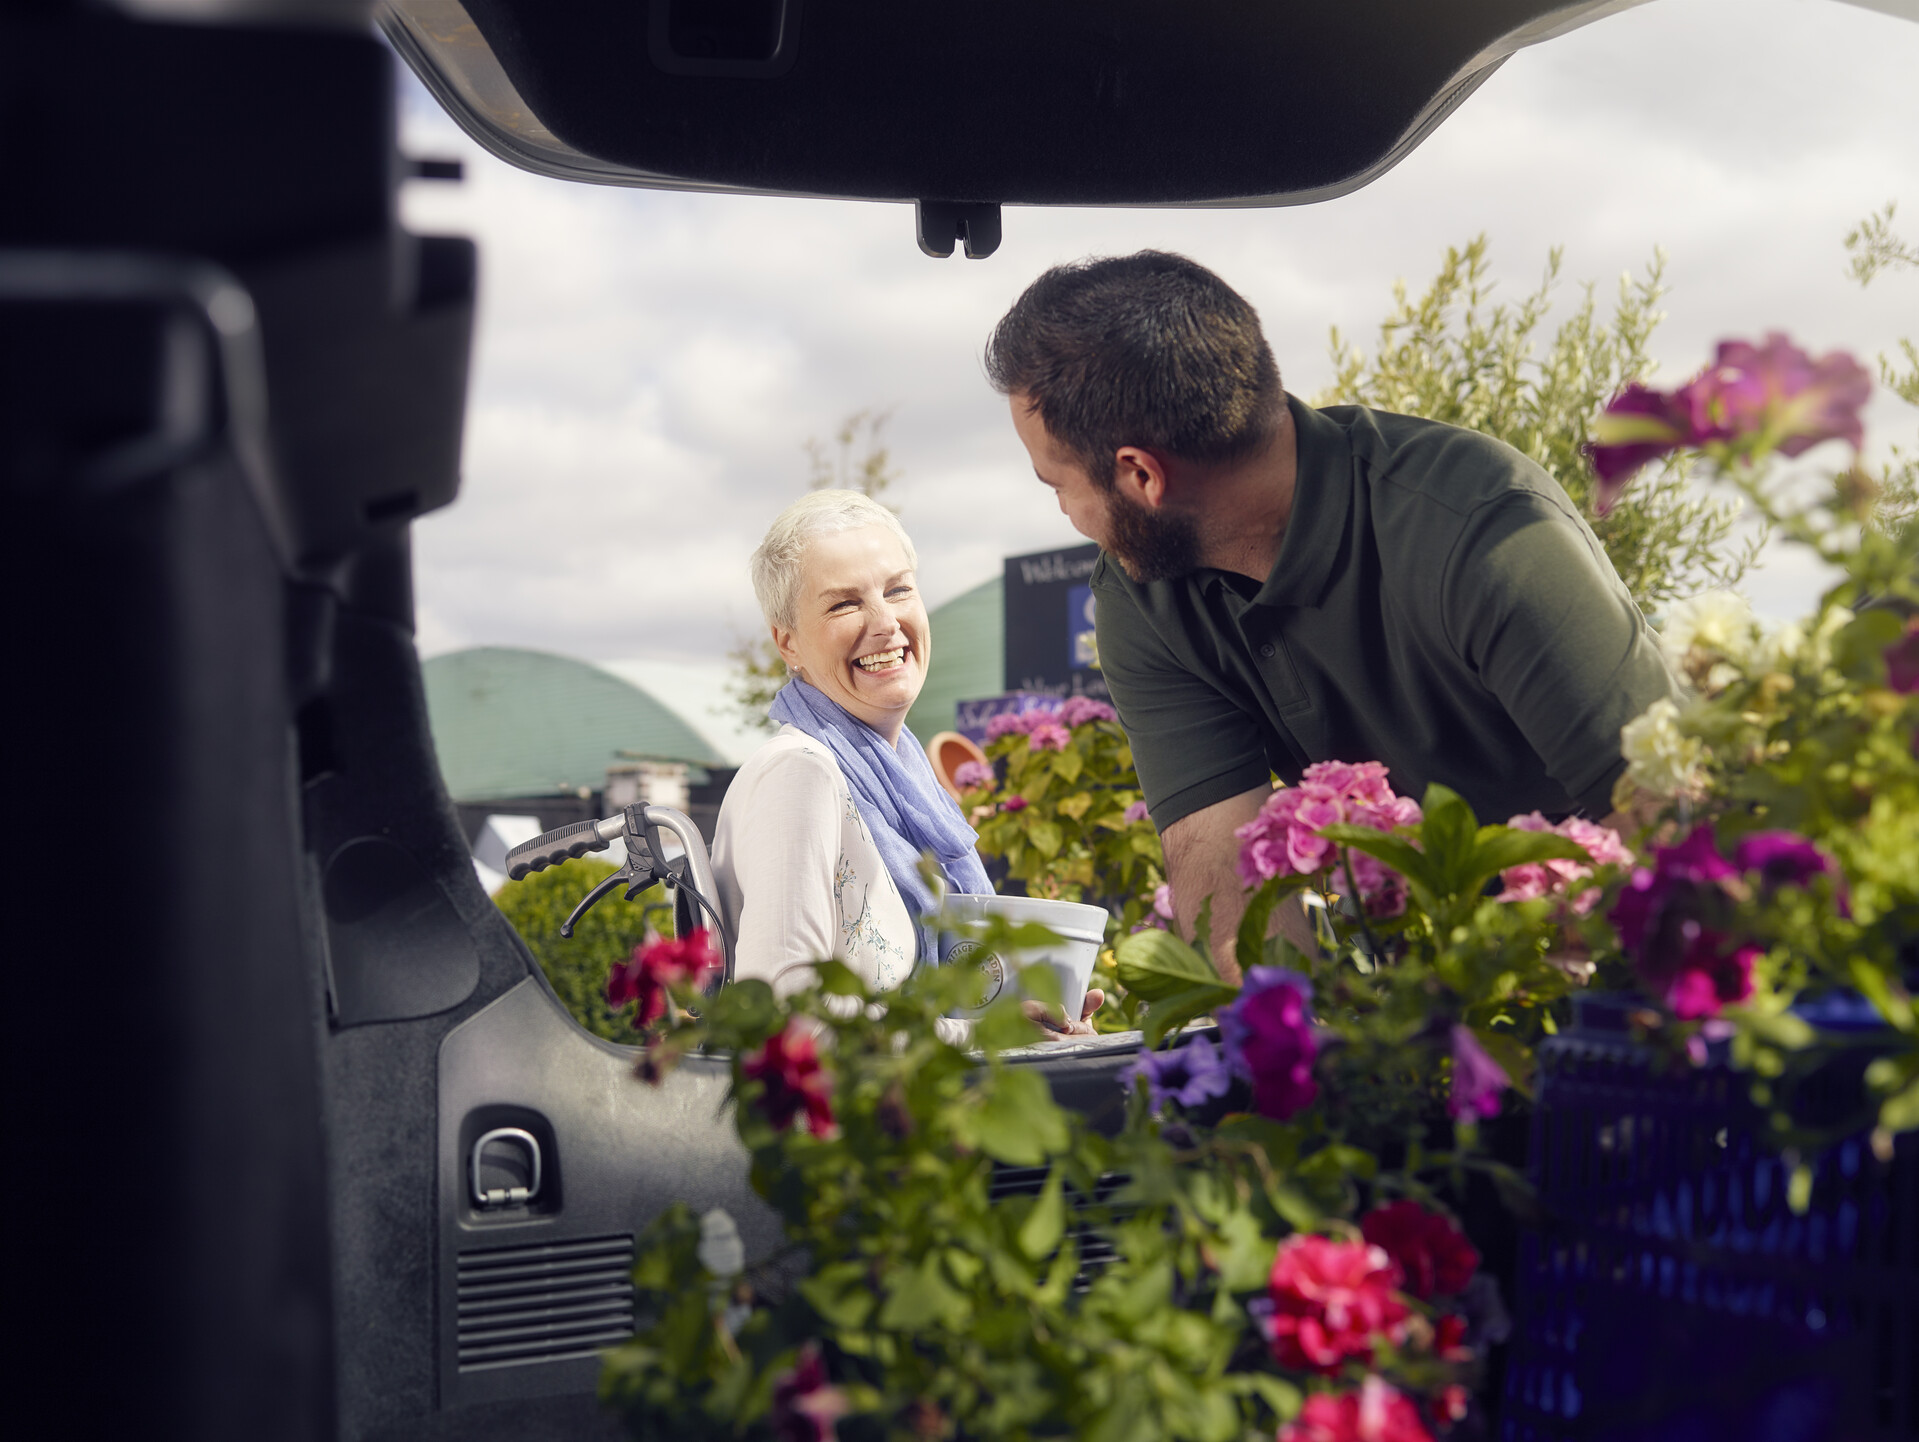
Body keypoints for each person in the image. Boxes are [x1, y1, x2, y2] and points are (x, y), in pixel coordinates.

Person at [985, 251, 1679, 980]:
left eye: (1054, 483)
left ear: (1140, 475)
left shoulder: (1480, 529)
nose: (1065, 513)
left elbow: (1666, 814)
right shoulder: (1140, 594)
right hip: (1425, 990)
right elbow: (1226, 888)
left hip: (1608, 965)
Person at [711, 490, 1103, 1035]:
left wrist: (1043, 1029)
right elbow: (784, 1018)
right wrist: (981, 1036)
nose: (885, 623)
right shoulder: (799, 773)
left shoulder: (908, 782)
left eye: (898, 590)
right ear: (789, 644)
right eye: (844, 603)